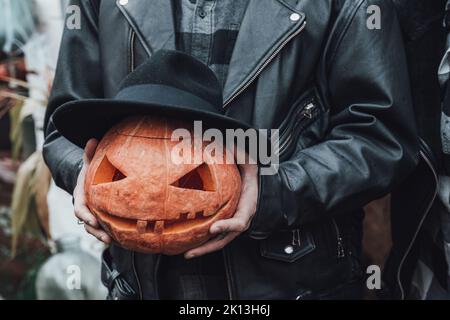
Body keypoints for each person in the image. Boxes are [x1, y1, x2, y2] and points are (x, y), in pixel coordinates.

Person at [44, 0, 419, 299]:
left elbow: (380, 136)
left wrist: (275, 191)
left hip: (297, 285)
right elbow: (62, 131)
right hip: (137, 286)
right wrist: (87, 174)